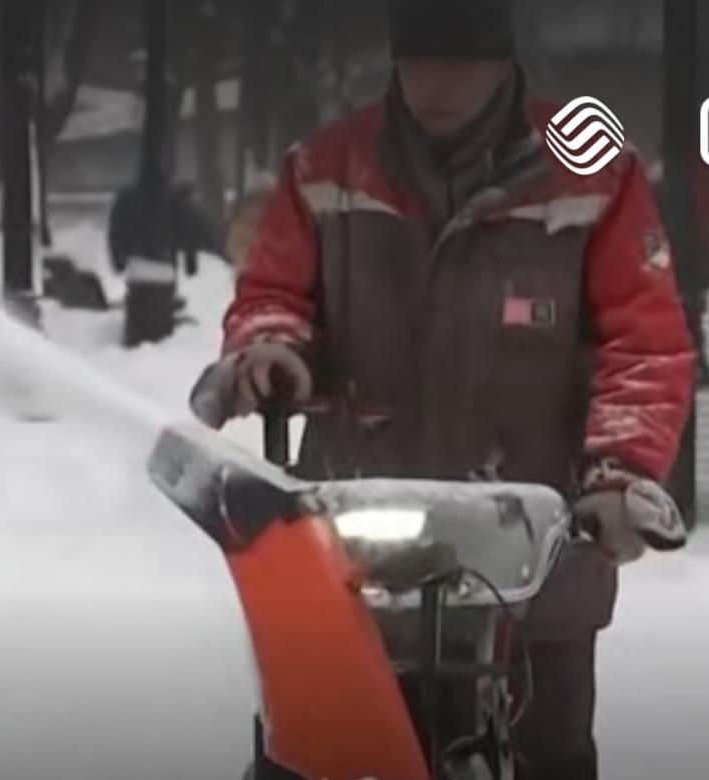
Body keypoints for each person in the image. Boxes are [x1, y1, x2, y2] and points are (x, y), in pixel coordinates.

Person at [189, 1, 694, 778]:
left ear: (503, 62)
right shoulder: (328, 169)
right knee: (322, 751)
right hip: (356, 541)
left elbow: (645, 342)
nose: (439, 85)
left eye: (460, 63)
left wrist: (620, 475)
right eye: (420, 62)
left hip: (537, 550)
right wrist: (269, 348)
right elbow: (272, 290)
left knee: (547, 753)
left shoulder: (593, 175)